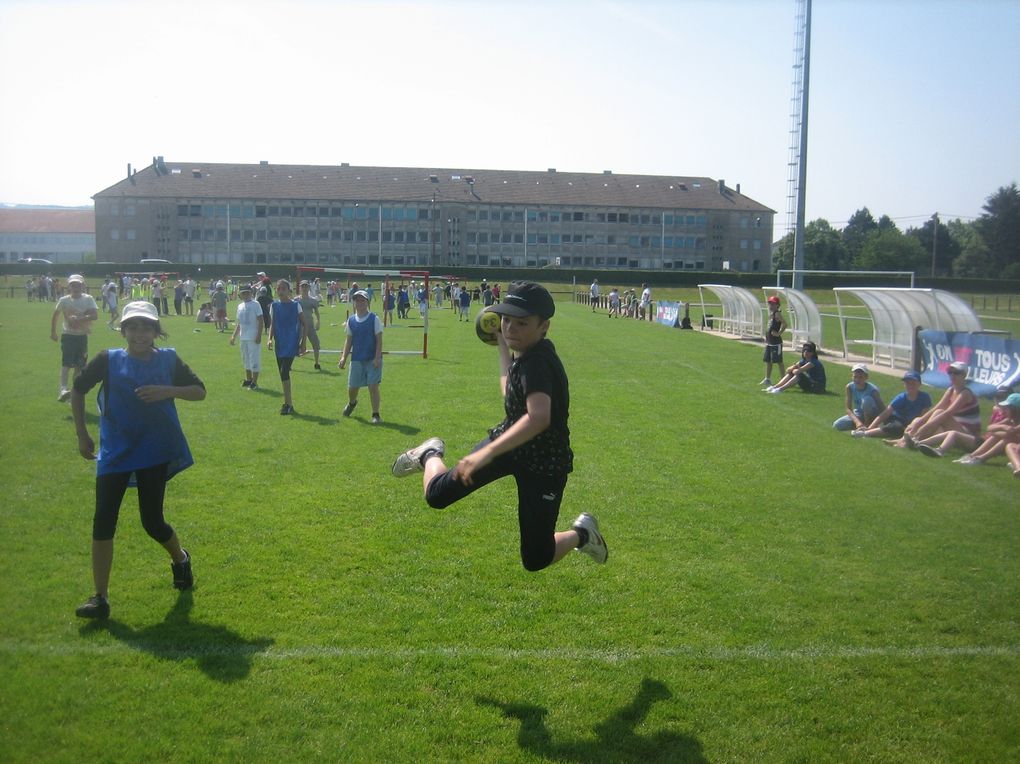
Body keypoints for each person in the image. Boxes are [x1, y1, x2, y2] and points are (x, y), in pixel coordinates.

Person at [391, 281, 607, 571]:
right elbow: (509, 391)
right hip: (510, 447)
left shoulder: (539, 363)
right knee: (437, 495)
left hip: (544, 464)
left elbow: (539, 417)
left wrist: (485, 453)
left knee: (536, 558)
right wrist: (503, 348)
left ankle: (583, 534)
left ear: (544, 327)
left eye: (521, 323)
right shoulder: (526, 354)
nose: (510, 328)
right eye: (506, 320)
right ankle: (429, 453)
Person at [70, 300, 205, 619]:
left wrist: (167, 391)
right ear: (123, 330)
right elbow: (78, 390)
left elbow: (199, 391)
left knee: (152, 521)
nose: (139, 333)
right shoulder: (108, 359)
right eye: (133, 326)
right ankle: (99, 597)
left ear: (156, 331)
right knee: (103, 517)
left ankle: (181, 559)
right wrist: (82, 434)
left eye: (146, 327)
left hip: (154, 449)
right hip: (115, 450)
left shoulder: (169, 359)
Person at [889, 361, 979, 449]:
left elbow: (947, 413)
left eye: (956, 373)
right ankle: (904, 440)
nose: (952, 375)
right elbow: (937, 407)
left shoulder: (965, 394)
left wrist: (923, 428)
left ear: (964, 375)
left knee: (939, 414)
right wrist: (920, 422)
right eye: (950, 373)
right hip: (954, 428)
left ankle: (913, 440)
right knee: (918, 419)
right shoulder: (951, 390)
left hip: (968, 435)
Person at [51, 274, 99, 402]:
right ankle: (63, 389)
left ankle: (74, 393)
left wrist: (80, 318)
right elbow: (55, 315)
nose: (75, 287)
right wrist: (53, 332)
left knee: (80, 365)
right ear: (69, 286)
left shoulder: (88, 299)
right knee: (66, 363)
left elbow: (95, 315)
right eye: (73, 285)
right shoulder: (64, 300)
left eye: (78, 284)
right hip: (68, 336)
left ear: (83, 285)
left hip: (82, 336)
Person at [338, 290, 383, 423]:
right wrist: (343, 358)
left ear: (367, 302)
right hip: (357, 358)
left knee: (373, 386)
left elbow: (379, 340)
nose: (360, 303)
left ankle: (376, 414)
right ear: (354, 303)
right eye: (357, 300)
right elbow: (349, 340)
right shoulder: (351, 320)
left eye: (362, 300)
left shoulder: (374, 319)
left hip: (372, 358)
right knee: (353, 387)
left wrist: (377, 358)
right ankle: (352, 403)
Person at [266, 279, 306, 415]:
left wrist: (303, 343)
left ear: (289, 291)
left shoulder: (296, 305)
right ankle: (287, 403)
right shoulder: (274, 306)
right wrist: (269, 339)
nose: (281, 291)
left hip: (291, 343)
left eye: (284, 288)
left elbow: (304, 324)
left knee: (284, 371)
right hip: (280, 343)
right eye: (278, 289)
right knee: (282, 374)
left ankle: (289, 404)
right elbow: (273, 323)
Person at [852, 371, 932, 439]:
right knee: (897, 428)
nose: (910, 386)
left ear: (919, 384)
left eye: (913, 383)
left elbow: (923, 416)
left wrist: (915, 426)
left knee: (909, 431)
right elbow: (886, 413)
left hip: (913, 423)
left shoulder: (925, 397)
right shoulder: (901, 398)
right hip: (897, 420)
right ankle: (865, 433)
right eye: (908, 383)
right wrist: (870, 428)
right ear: (904, 385)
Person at [954, 389, 1020, 465]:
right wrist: (1003, 427)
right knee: (996, 437)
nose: (1005, 410)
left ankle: (981, 458)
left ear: (1015, 410)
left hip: (1014, 447)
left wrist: (997, 432)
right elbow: (989, 428)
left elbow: (1009, 435)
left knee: (1006, 439)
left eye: (1008, 408)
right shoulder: (1010, 420)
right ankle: (973, 455)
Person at [229, 284, 264, 390]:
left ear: (251, 293)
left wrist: (259, 335)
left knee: (254, 359)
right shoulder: (240, 306)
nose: (245, 295)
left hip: (253, 336)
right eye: (243, 293)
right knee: (245, 359)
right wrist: (234, 336)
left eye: (247, 293)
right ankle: (248, 379)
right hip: (243, 337)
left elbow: (261, 321)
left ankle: (255, 381)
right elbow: (239, 323)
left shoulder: (255, 304)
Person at [833, 364, 884, 431]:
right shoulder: (849, 387)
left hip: (873, 414)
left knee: (866, 400)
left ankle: (868, 424)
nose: (857, 380)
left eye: (860, 377)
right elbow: (848, 409)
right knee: (837, 425)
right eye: (855, 377)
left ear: (866, 377)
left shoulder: (873, 390)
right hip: (859, 414)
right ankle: (861, 425)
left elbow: (882, 408)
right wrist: (857, 422)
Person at [760, 295, 787, 386]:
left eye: (773, 304)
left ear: (777, 305)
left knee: (779, 361)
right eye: (770, 303)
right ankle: (767, 379)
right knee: (768, 361)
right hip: (769, 342)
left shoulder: (777, 314)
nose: (770, 305)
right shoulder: (771, 314)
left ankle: (784, 380)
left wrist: (779, 333)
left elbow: (785, 324)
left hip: (776, 342)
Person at [296, 280, 322, 370]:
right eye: (302, 286)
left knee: (316, 344)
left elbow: (317, 312)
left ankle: (317, 363)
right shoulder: (296, 300)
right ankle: (289, 364)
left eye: (306, 286)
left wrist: (318, 322)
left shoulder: (313, 300)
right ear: (300, 288)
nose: (304, 288)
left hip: (310, 325)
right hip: (299, 326)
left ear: (308, 287)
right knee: (294, 344)